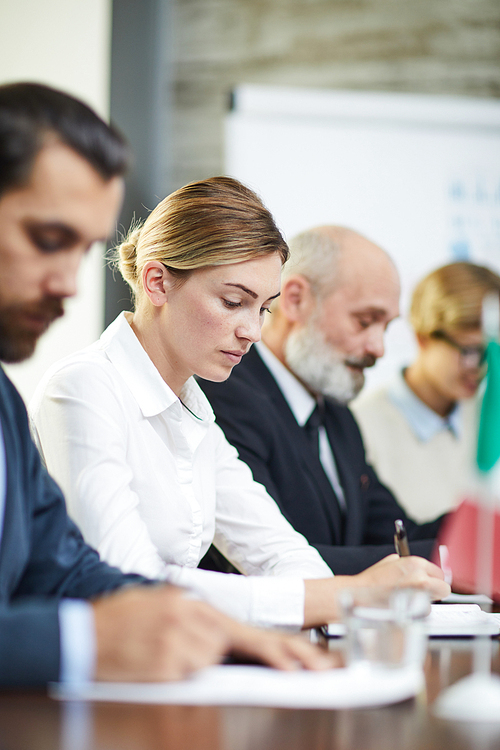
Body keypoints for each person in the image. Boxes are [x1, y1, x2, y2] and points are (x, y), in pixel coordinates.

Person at [0, 81, 339, 687]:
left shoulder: (5, 397)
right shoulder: (80, 387)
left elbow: (70, 570)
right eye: (49, 241)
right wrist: (91, 635)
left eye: (81, 252)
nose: (70, 285)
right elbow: (109, 578)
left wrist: (217, 624)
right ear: (157, 283)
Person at [31, 180, 449, 631]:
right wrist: (343, 594)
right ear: (158, 282)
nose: (252, 330)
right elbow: (130, 582)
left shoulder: (193, 410)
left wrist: (331, 598)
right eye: (234, 302)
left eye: (263, 309)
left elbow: (280, 552)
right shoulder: (84, 388)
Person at [199, 225, 445, 575]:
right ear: (296, 299)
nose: (378, 348)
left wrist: (479, 533)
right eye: (364, 321)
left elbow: (397, 534)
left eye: (386, 327)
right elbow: (269, 557)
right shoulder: (224, 398)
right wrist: (439, 560)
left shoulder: (337, 417)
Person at [352, 261, 500, 523]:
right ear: (423, 336)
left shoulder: (489, 419)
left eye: (491, 353)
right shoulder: (360, 426)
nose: (480, 368)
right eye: (470, 351)